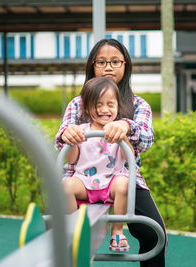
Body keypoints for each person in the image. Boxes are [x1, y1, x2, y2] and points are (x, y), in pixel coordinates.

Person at [55, 38, 167, 266]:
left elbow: (146, 141)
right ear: (92, 66)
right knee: (56, 231)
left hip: (122, 178)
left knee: (154, 235)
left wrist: (127, 125)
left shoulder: (137, 105)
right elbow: (61, 143)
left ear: (125, 65)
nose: (108, 67)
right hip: (81, 178)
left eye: (115, 61)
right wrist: (68, 135)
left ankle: (120, 234)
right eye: (102, 62)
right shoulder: (78, 104)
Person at [62, 77, 133, 251]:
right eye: (98, 104)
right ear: (86, 108)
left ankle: (117, 231)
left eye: (110, 104)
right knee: (65, 186)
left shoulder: (117, 130)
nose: (104, 109)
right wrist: (72, 140)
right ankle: (75, 229)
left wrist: (123, 138)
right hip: (85, 181)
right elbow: (72, 160)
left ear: (117, 106)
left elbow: (128, 156)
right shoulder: (82, 130)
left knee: (124, 183)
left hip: (111, 182)